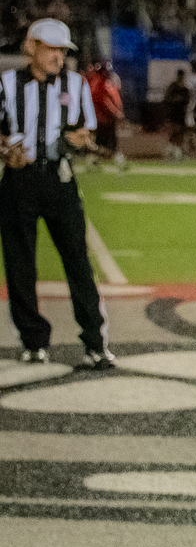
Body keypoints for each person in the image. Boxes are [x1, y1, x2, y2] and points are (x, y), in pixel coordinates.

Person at [1, 21, 115, 369]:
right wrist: (5, 152)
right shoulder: (7, 83)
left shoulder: (75, 84)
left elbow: (85, 130)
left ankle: (95, 342)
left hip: (59, 179)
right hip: (19, 181)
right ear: (31, 47)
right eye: (52, 48)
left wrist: (78, 141)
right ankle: (34, 341)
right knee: (20, 265)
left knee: (78, 261)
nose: (58, 56)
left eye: (63, 50)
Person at [85, 61, 126, 170]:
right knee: (109, 142)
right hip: (103, 118)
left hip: (102, 117)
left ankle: (93, 161)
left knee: (100, 141)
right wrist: (116, 112)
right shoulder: (100, 82)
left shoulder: (100, 81)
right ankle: (118, 161)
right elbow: (103, 101)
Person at [161, 68, 192, 163]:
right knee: (173, 133)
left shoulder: (185, 88)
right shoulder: (172, 87)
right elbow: (167, 99)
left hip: (181, 114)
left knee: (180, 134)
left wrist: (178, 100)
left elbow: (187, 101)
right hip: (173, 114)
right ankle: (170, 153)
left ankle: (177, 153)